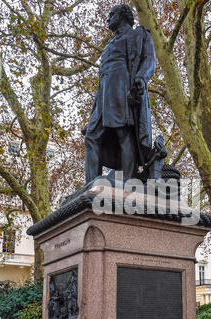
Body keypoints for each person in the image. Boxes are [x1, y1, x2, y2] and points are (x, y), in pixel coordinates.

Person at [83, 4, 156, 184]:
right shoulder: (109, 45)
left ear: (123, 15)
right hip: (104, 93)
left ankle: (127, 181)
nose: (107, 19)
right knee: (91, 135)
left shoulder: (138, 34)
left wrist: (141, 78)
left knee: (124, 132)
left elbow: (150, 60)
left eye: (111, 14)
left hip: (123, 88)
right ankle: (92, 183)